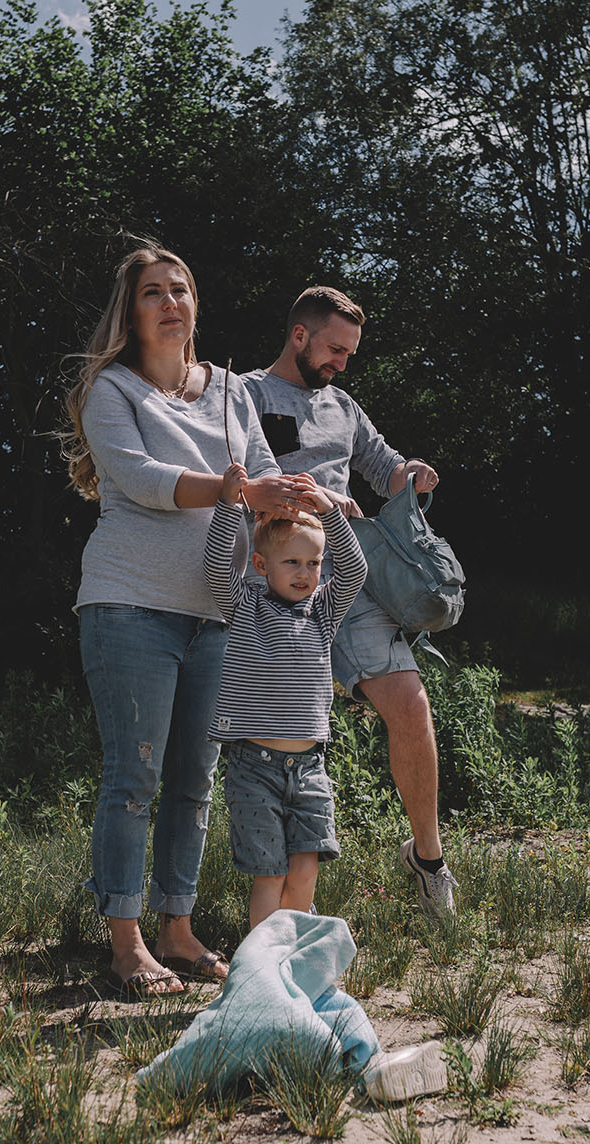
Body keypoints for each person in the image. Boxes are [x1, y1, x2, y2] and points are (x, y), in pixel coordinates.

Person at [62, 244, 317, 999]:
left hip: (217, 610)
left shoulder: (233, 391)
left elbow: (268, 467)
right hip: (129, 602)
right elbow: (140, 482)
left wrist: (304, 497)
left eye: (181, 289)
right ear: (130, 311)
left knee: (193, 781)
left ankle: (176, 927)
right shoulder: (112, 389)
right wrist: (238, 492)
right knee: (133, 776)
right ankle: (125, 940)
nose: (170, 302)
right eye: (152, 293)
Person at [244, 286, 459, 917]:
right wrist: (312, 500)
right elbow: (237, 478)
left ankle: (427, 860)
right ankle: (258, 903)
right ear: (300, 336)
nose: (342, 361)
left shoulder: (344, 405)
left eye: (351, 352)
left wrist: (411, 475)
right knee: (262, 743)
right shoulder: (249, 396)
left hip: (349, 575)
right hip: (271, 586)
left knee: (412, 707)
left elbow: (383, 466)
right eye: (336, 348)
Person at [202, 463, 367, 929]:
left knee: (305, 870)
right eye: (292, 562)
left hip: (310, 768)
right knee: (269, 874)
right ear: (261, 566)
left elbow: (355, 570)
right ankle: (261, 969)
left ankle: (290, 960)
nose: (304, 573)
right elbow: (217, 566)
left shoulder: (322, 611)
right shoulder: (245, 604)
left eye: (313, 563)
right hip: (254, 767)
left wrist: (328, 510)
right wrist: (229, 504)